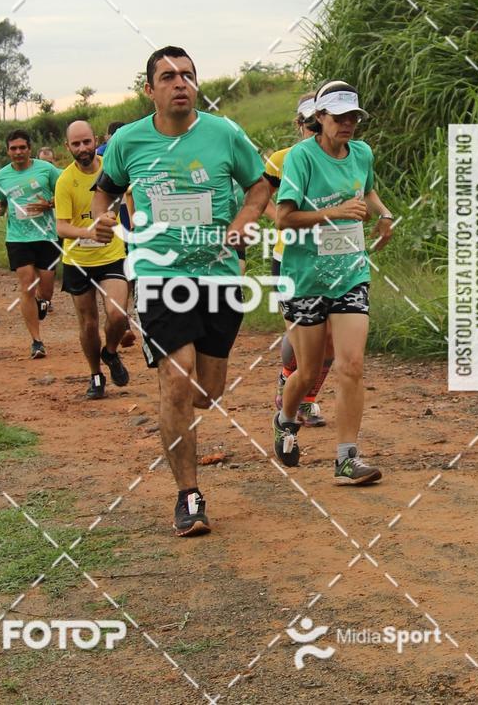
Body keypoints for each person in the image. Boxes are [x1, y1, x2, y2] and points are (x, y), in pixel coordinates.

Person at [92, 45, 269, 536]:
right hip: (157, 273)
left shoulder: (224, 133)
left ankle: (178, 413)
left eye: (187, 76)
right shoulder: (128, 141)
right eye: (168, 77)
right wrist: (101, 219)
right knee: (177, 377)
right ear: (150, 89)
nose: (180, 84)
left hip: (218, 276)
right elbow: (103, 190)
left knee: (205, 392)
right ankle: (189, 495)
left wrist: (244, 220)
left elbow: (259, 186)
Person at [274, 80, 393, 484]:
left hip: (350, 273)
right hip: (306, 277)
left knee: (352, 365)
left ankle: (347, 458)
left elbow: (368, 188)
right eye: (338, 117)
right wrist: (336, 212)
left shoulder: (361, 152)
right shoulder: (300, 158)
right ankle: (286, 418)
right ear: (319, 118)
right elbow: (283, 217)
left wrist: (384, 213)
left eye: (352, 117)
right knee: (307, 373)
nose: (347, 124)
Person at [264, 94, 335, 428]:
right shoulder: (281, 159)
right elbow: (260, 197)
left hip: (333, 258)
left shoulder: (341, 157)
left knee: (332, 340)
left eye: (317, 123)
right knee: (299, 338)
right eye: (308, 125)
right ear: (299, 125)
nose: (313, 130)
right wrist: (281, 218)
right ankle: (286, 380)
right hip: (290, 259)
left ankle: (306, 399)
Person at [55, 120, 132, 399]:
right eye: (76, 144)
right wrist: (88, 231)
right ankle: (95, 375)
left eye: (87, 142)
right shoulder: (65, 180)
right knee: (88, 322)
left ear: (95, 140)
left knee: (118, 314)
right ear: (68, 147)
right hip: (78, 260)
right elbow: (61, 226)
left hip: (112, 255)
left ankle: (110, 353)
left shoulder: (113, 170)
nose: (83, 148)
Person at [0, 129, 61, 358]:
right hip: (18, 238)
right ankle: (37, 341)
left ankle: (43, 301)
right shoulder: (1, 177)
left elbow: (64, 195)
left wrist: (49, 204)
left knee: (47, 289)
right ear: (8, 151)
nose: (18, 152)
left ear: (29, 148)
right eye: (13, 148)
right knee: (27, 285)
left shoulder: (47, 170)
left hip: (46, 235)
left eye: (22, 147)